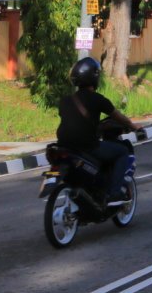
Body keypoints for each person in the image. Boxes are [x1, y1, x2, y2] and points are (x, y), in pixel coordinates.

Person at [56, 58, 140, 206]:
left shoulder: (65, 101)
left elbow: (75, 121)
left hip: (64, 147)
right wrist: (133, 126)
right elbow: (119, 117)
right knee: (121, 152)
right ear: (94, 77)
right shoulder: (98, 100)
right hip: (88, 147)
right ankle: (114, 193)